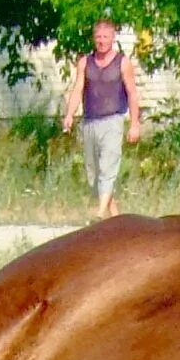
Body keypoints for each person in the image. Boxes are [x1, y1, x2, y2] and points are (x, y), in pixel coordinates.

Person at [60, 19, 143, 220]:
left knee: (108, 165)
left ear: (113, 38)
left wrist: (134, 123)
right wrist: (69, 114)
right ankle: (115, 217)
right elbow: (78, 89)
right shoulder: (85, 62)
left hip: (113, 120)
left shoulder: (122, 63)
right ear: (93, 39)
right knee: (94, 172)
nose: (102, 41)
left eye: (106, 37)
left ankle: (99, 214)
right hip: (90, 120)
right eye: (98, 37)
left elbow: (132, 93)